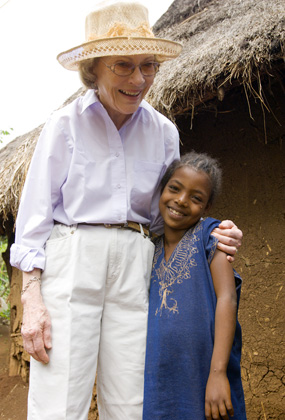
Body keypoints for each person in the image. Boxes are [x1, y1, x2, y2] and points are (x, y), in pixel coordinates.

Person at [10, 3, 242, 420]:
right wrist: (32, 299)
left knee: (134, 397)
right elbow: (33, 220)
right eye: (123, 66)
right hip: (73, 254)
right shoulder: (64, 126)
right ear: (93, 69)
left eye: (148, 65)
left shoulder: (163, 132)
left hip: (138, 260)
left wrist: (214, 233)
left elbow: (171, 216)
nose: (139, 80)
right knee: (58, 401)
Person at [143, 151, 247, 420]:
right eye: (174, 189)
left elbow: (227, 298)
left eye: (196, 198)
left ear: (206, 208)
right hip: (160, 383)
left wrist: (218, 374)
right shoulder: (148, 250)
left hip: (205, 375)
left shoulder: (211, 237)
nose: (181, 200)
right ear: (161, 190)